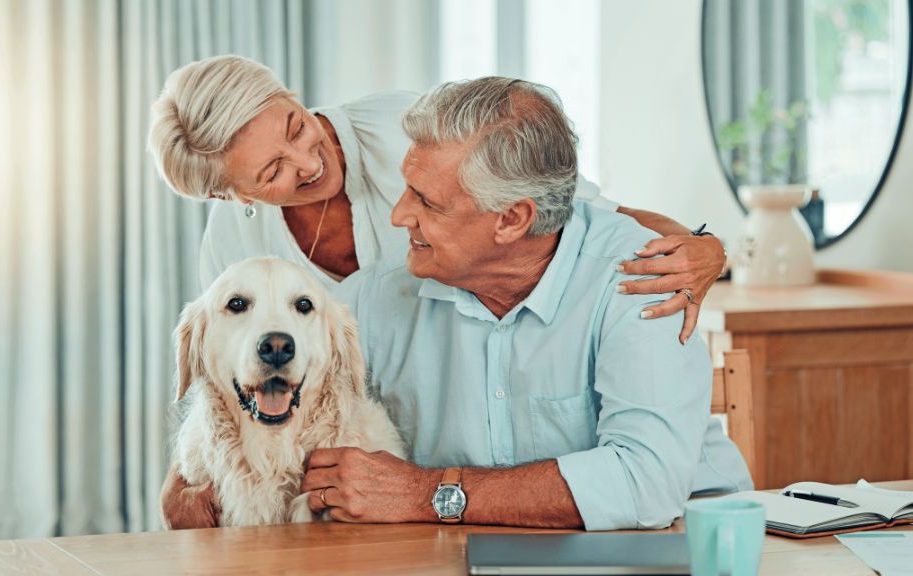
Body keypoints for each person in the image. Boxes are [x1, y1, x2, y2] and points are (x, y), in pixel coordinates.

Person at [161, 76, 752, 531]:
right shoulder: (373, 299)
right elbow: (251, 385)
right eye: (403, 188)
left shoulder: (642, 280)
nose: (397, 217)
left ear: (513, 218)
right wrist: (186, 475)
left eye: (425, 201)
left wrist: (427, 494)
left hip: (679, 551)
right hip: (464, 567)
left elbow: (644, 482)